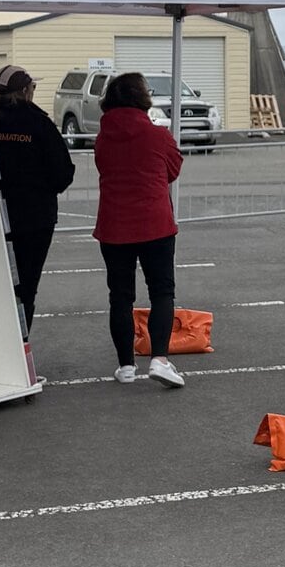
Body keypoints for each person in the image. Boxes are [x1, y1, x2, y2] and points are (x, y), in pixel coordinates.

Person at [92, 70, 184, 388]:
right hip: (155, 222)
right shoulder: (159, 135)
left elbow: (103, 166)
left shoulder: (103, 138)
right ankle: (159, 358)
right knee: (162, 292)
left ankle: (126, 365)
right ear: (141, 98)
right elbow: (173, 169)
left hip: (114, 225)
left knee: (120, 297)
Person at [0, 65, 75, 343]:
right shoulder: (39, 124)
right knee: (25, 287)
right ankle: (18, 347)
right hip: (34, 219)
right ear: (26, 91)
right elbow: (62, 174)